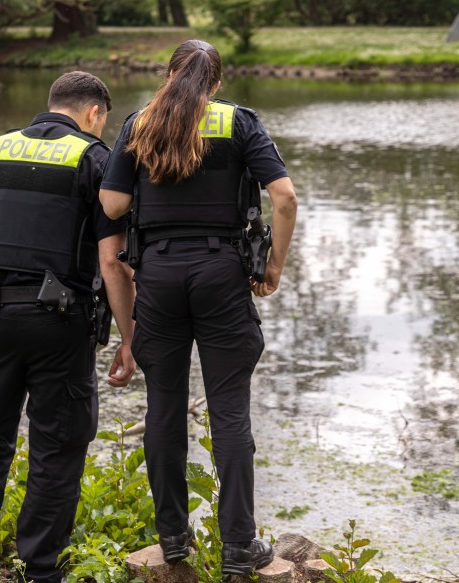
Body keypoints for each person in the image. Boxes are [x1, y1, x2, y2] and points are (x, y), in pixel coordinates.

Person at [99, 40, 298, 575]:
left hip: (159, 275)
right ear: (216, 82)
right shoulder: (239, 122)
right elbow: (284, 198)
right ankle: (239, 545)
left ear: (169, 74)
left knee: (164, 406)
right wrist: (273, 266)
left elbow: (113, 204)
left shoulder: (140, 122)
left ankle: (172, 539)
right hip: (221, 273)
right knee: (229, 408)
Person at [0, 71, 137, 583]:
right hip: (61, 322)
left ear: (51, 104)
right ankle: (40, 569)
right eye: (104, 121)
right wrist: (129, 336)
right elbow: (112, 262)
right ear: (94, 113)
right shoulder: (95, 159)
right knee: (58, 446)